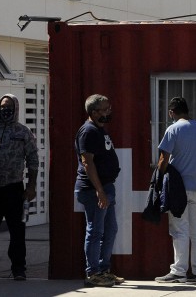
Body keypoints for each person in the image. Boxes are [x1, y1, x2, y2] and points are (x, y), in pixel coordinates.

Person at [0, 94, 38, 281]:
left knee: (17, 231)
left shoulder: (23, 132)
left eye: (9, 106)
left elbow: (33, 160)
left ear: (16, 108)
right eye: (3, 106)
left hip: (13, 188)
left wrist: (32, 186)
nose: (5, 110)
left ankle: (19, 268)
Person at [155, 97, 196, 284]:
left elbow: (163, 160)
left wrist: (157, 181)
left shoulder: (173, 129)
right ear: (187, 110)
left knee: (179, 228)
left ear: (171, 112)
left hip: (177, 187)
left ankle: (179, 271)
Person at [74, 94, 122, 287]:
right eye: (104, 109)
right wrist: (99, 190)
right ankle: (92, 273)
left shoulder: (99, 130)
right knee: (95, 231)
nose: (108, 112)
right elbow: (87, 162)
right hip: (94, 190)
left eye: (108, 108)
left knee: (110, 229)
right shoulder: (88, 131)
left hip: (106, 187)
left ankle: (104, 270)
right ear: (93, 113)